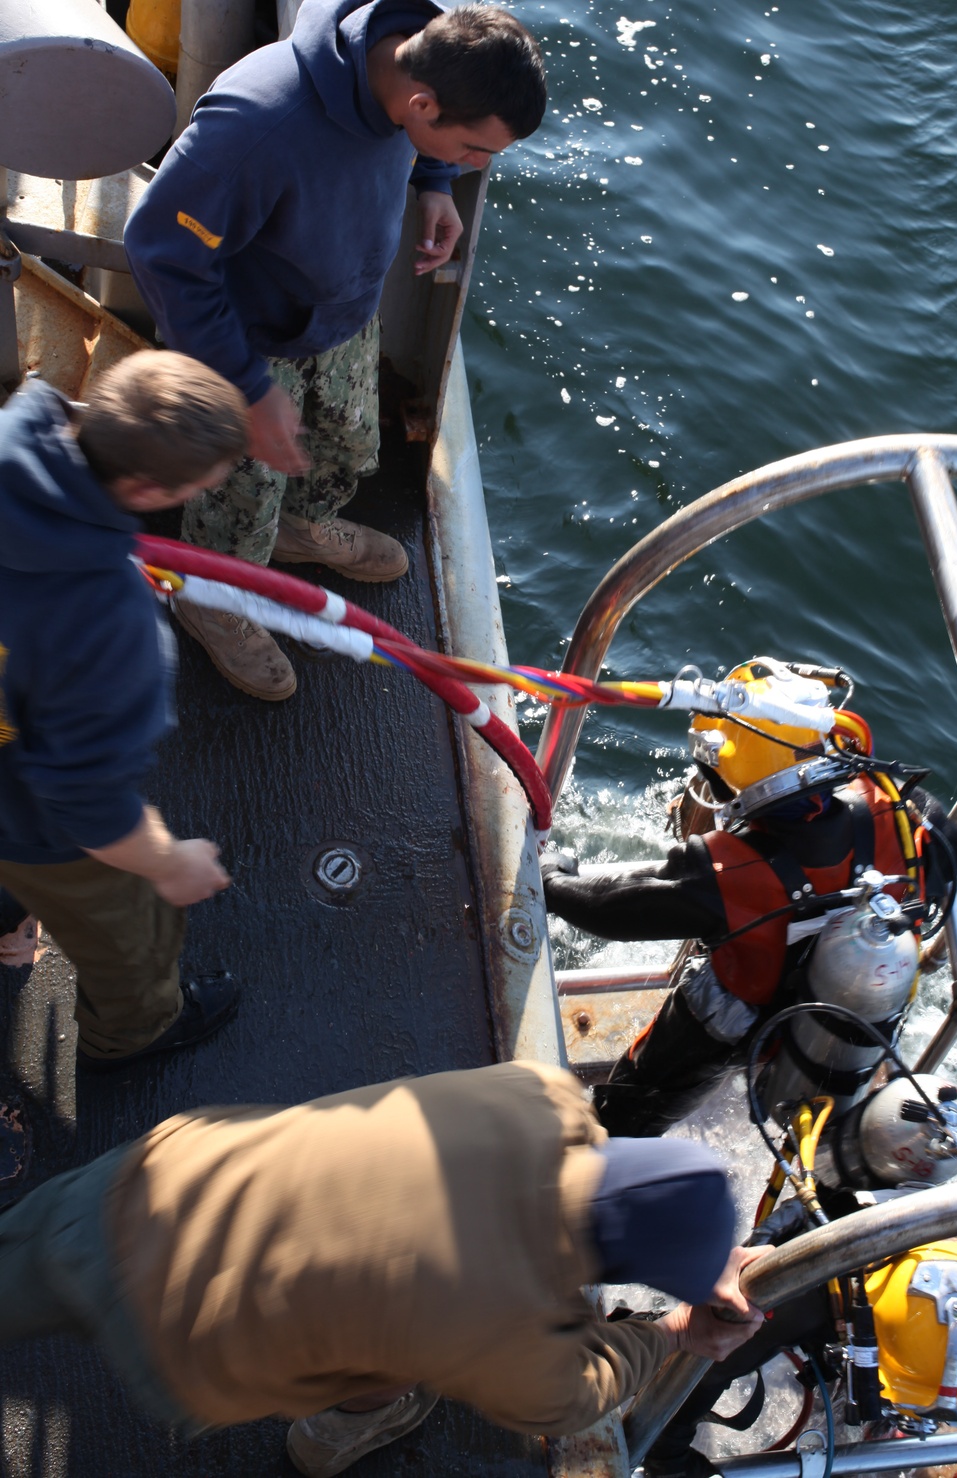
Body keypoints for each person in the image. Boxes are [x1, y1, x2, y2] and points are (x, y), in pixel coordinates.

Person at [0, 1060, 766, 1477]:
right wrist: (671, 1329)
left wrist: (696, 1231)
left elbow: (590, 1140)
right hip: (175, 1339)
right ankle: (326, 1441)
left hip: (144, 1182)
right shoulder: (503, 1330)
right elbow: (568, 1397)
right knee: (403, 1349)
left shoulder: (536, 1094)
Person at [124, 0, 547, 702]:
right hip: (248, 349)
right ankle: (213, 599)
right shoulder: (260, 123)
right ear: (422, 102)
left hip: (344, 320)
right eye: (477, 152)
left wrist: (436, 184)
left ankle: (300, 527)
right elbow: (159, 249)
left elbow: (422, 140)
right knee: (241, 492)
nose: (477, 167)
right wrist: (247, 391)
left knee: (345, 445)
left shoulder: (420, 53)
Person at [542, 658, 957, 1137]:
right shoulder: (911, 818)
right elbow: (947, 860)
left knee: (629, 1107)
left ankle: (615, 1137)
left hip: (732, 1019)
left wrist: (554, 880)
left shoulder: (728, 870)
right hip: (845, 1007)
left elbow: (610, 907)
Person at [0, 352, 248, 1071]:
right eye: (202, 485)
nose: (213, 488)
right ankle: (132, 1034)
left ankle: (9, 923)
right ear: (144, 489)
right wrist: (170, 864)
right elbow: (87, 802)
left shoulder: (18, 422)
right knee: (129, 935)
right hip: (31, 821)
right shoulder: (114, 623)